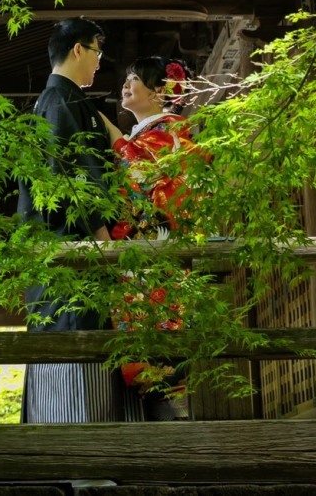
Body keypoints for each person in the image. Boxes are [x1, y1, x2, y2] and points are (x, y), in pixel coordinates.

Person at [17, 16, 138, 424]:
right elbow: (76, 180)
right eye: (97, 52)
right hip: (73, 248)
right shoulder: (62, 103)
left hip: (59, 249)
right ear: (78, 50)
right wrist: (104, 238)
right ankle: (80, 458)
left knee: (73, 336)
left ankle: (77, 456)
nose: (99, 63)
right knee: (77, 335)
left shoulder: (60, 102)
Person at [111, 55, 196, 420]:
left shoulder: (170, 130)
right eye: (127, 79)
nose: (126, 85)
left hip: (155, 254)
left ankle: (170, 434)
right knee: (145, 349)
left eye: (135, 78)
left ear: (161, 92)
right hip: (145, 252)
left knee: (156, 352)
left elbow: (142, 174)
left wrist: (111, 136)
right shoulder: (147, 132)